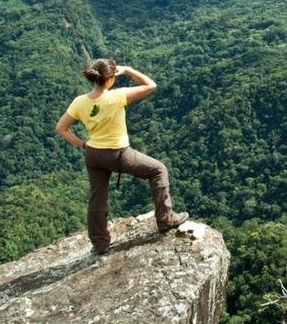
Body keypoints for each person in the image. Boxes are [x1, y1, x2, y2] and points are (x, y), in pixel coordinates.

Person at [55, 58, 188, 255]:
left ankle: (100, 244)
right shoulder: (117, 96)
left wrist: (83, 144)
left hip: (93, 155)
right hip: (119, 154)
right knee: (158, 170)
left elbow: (61, 128)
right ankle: (166, 220)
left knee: (97, 198)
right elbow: (151, 85)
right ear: (110, 79)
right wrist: (128, 70)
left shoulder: (79, 102)